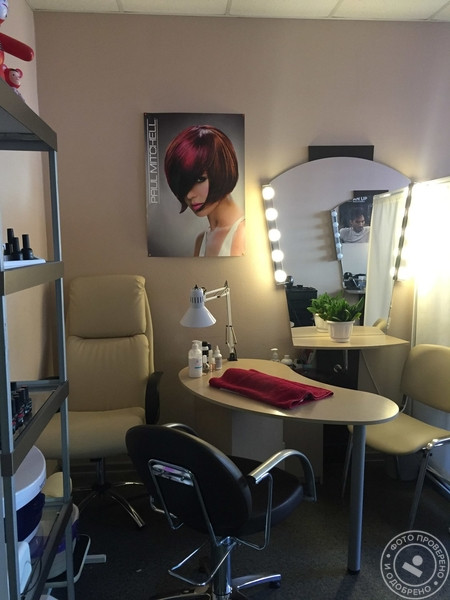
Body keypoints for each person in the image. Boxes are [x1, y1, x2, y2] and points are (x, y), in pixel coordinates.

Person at [164, 125, 245, 256]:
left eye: (200, 179)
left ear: (222, 171)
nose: (189, 195)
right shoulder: (201, 240)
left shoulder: (244, 233)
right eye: (183, 184)